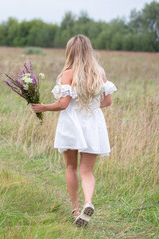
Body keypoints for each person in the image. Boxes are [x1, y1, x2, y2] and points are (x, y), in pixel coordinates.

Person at [31, 35, 117, 227]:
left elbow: (63, 104)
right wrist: (90, 109)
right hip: (93, 124)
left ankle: (76, 210)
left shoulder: (68, 73)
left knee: (71, 167)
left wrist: (43, 107)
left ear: (70, 51)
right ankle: (88, 202)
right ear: (89, 50)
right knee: (87, 171)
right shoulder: (99, 73)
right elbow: (108, 101)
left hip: (71, 124)